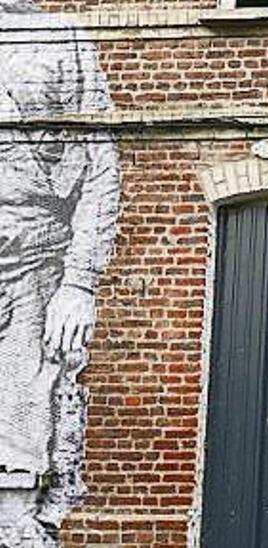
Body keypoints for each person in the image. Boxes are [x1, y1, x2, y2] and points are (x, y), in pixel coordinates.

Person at [0, 0, 120, 542]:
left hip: (31, 262)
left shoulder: (55, 35)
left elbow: (100, 164)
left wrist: (79, 282)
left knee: (22, 462)